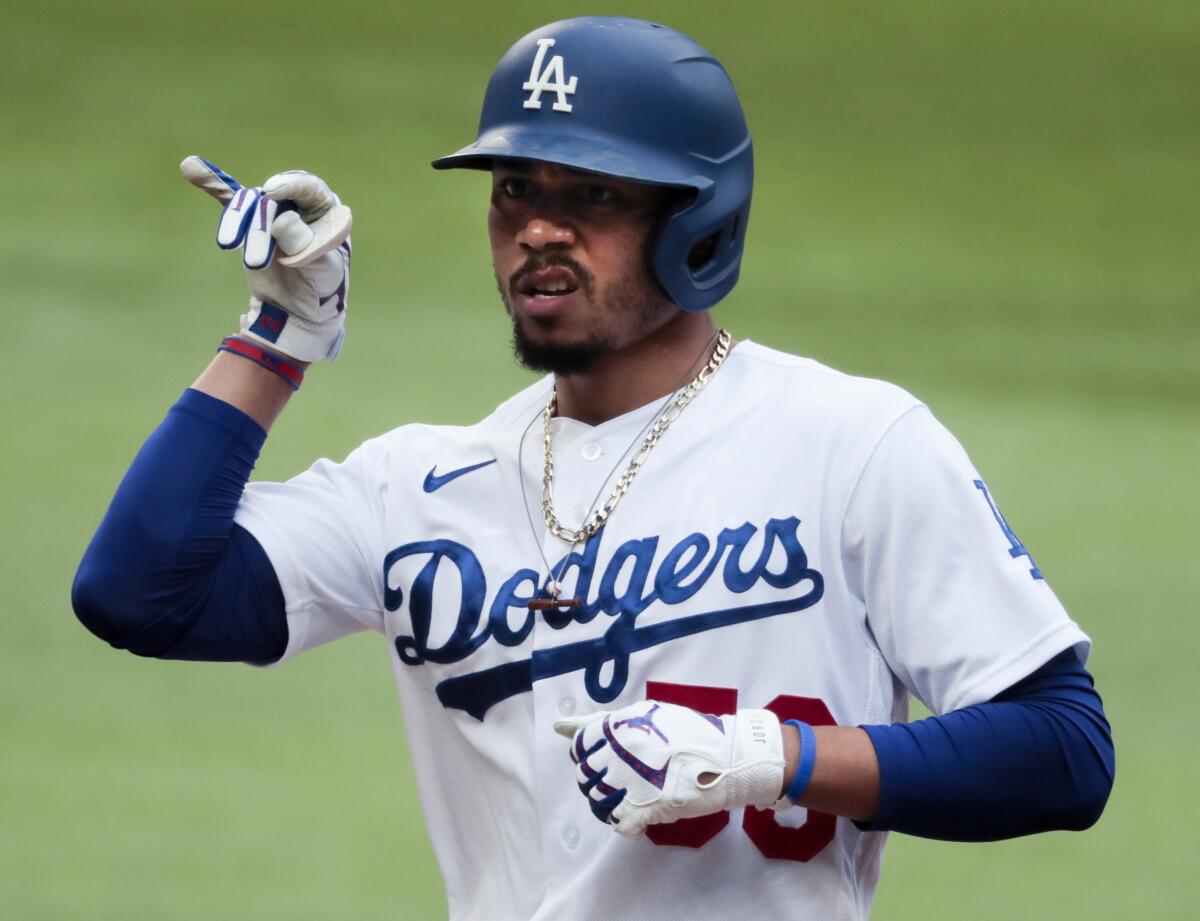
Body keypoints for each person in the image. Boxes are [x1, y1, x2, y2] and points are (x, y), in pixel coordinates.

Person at [73, 16, 1114, 921]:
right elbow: (139, 593)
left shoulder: (852, 445)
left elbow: (1062, 751)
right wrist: (276, 337)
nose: (536, 228)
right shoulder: (419, 485)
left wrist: (771, 760)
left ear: (696, 224)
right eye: (516, 187)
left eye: (593, 195)